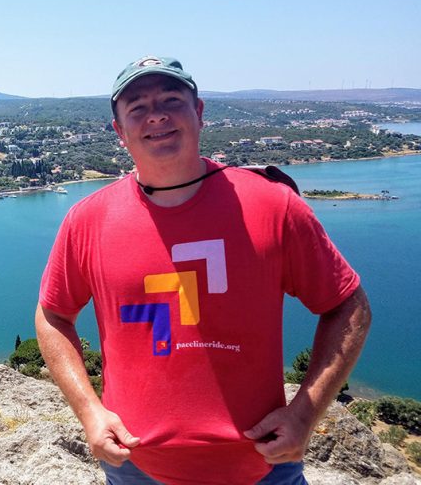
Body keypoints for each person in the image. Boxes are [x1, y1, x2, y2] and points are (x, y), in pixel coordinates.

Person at [35, 56, 372, 485]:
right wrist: (89, 412)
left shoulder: (272, 206)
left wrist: (305, 412)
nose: (155, 114)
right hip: (136, 470)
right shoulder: (88, 220)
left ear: (198, 112)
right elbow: (51, 316)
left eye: (171, 100)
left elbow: (349, 305)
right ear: (120, 131)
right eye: (137, 107)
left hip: (263, 468)